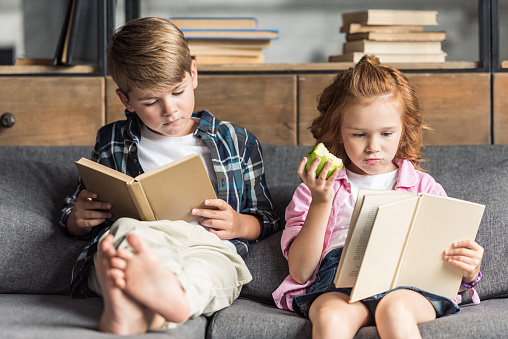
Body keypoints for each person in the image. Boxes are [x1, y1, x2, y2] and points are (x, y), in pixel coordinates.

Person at [58, 17, 279, 335]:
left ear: (193, 73)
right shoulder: (111, 141)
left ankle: (150, 304)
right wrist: (78, 218)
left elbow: (268, 217)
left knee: (216, 271)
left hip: (207, 245)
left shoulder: (237, 140)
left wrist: (241, 224)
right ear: (126, 100)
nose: (170, 109)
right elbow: (73, 209)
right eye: (150, 101)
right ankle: (146, 300)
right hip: (144, 239)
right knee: (123, 236)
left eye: (178, 92)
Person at [272, 55, 484, 339]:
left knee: (393, 310)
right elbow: (300, 272)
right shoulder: (316, 188)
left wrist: (470, 270)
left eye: (386, 133)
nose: (373, 147)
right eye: (359, 134)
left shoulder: (423, 186)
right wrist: (322, 201)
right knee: (330, 317)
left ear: (404, 129)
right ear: (339, 133)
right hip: (337, 282)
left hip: (408, 285)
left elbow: (448, 265)